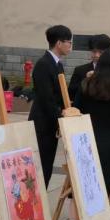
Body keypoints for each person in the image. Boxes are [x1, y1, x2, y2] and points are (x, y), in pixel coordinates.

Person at [67, 49, 110, 220]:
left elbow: (76, 110)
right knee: (104, 187)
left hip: (86, 139)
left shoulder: (87, 84)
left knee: (80, 185)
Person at [28, 24, 73, 189]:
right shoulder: (43, 64)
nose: (70, 46)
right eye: (69, 42)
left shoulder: (57, 64)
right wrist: (60, 119)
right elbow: (47, 99)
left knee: (47, 165)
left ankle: (42, 197)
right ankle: (37, 198)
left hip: (51, 124)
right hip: (42, 124)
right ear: (59, 43)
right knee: (40, 166)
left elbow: (59, 95)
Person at [68, 33, 110, 101]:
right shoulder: (80, 70)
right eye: (94, 51)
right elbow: (70, 93)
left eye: (101, 52)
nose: (96, 55)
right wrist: (86, 80)